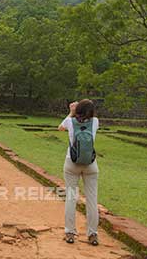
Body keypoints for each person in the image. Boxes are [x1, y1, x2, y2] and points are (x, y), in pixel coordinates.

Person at [58, 99, 100, 246]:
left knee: (70, 197)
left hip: (71, 162)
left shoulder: (70, 122)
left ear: (78, 110)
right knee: (92, 200)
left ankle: (70, 232)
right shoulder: (95, 121)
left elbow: (60, 128)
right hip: (90, 164)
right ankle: (92, 234)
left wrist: (71, 112)